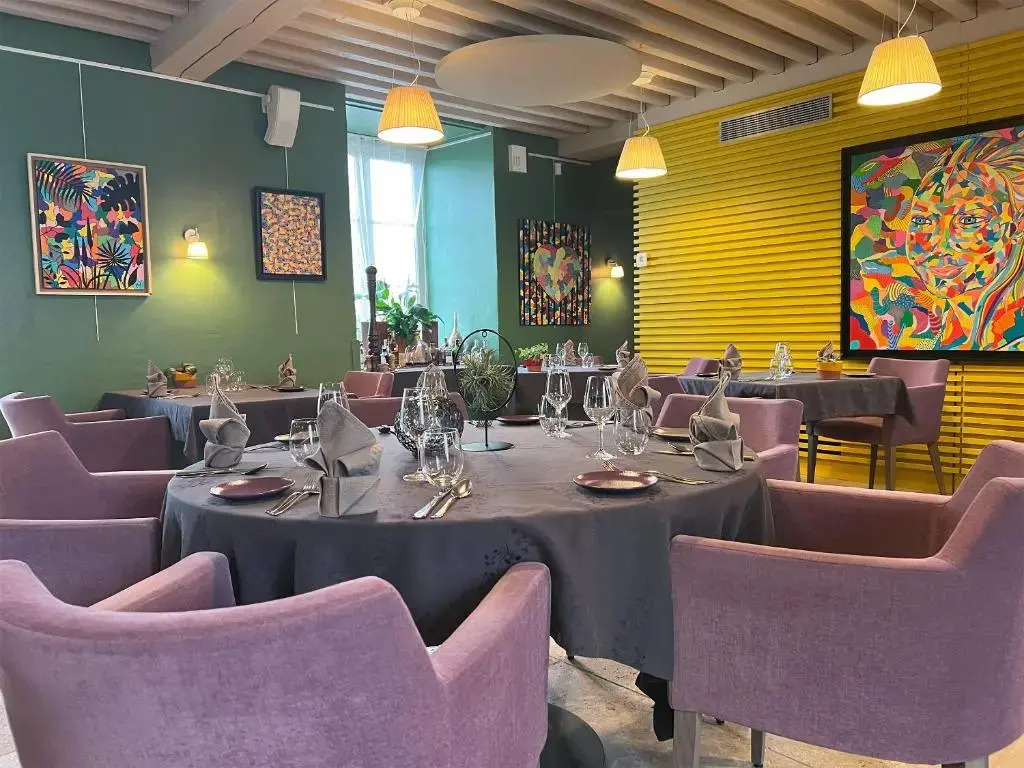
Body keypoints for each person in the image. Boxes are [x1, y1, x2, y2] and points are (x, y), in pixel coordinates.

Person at [902, 134, 1024, 350]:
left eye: (969, 221)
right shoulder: (943, 338)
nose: (938, 245)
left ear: (1015, 228)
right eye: (922, 221)